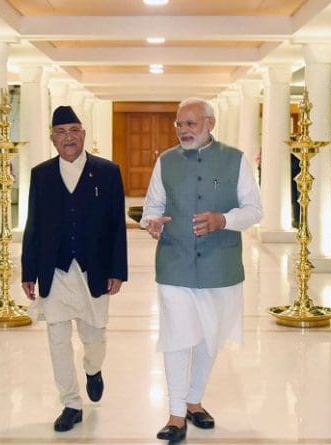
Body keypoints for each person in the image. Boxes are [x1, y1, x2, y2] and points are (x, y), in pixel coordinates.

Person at [140, 97, 262, 443]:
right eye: (179, 124)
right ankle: (176, 414)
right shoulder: (165, 161)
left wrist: (224, 219)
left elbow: (254, 210)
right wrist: (152, 222)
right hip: (175, 264)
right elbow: (153, 206)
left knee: (211, 337)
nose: (183, 130)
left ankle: (195, 401)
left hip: (220, 266)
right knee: (177, 338)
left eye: (190, 124)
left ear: (210, 124)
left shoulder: (234, 160)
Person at [21, 105, 128, 433]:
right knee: (57, 337)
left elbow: (115, 226)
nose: (68, 137)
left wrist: (117, 270)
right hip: (53, 268)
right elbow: (33, 224)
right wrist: (28, 271)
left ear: (84, 134)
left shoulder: (108, 172)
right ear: (52, 138)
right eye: (61, 132)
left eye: (74, 130)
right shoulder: (41, 174)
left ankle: (93, 369)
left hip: (92, 268)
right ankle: (70, 403)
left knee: (93, 335)